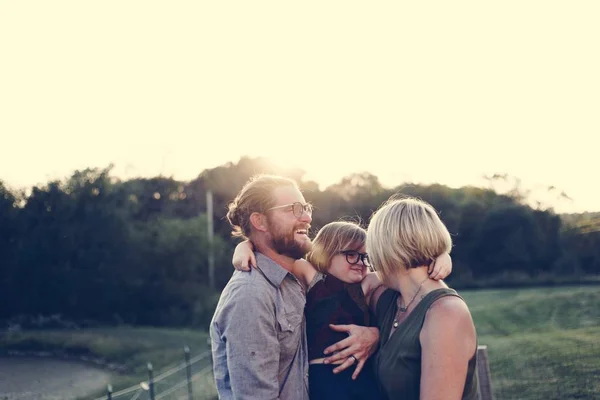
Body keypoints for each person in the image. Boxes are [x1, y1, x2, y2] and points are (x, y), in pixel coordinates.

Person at [232, 221, 452, 399]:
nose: (360, 262)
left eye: (366, 257)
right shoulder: (313, 277)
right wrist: (244, 246)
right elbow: (271, 252)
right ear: (327, 251)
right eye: (351, 254)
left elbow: (409, 271)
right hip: (325, 381)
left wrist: (444, 256)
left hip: (363, 379)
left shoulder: (366, 285)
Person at [209, 174, 380, 400]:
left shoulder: (295, 281)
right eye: (294, 209)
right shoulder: (251, 294)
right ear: (259, 221)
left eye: (306, 208)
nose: (307, 217)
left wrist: (373, 335)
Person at [363, 197, 479, 400]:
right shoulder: (391, 298)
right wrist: (373, 333)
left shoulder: (446, 313)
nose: (370, 257)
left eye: (372, 246)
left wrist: (443, 254)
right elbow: (329, 277)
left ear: (388, 249)